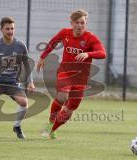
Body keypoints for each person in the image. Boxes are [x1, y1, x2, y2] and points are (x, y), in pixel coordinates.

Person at [37, 9, 106, 139]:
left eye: (82, 23)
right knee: (62, 96)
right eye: (77, 22)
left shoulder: (90, 38)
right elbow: (52, 43)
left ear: (86, 23)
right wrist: (42, 58)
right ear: (71, 23)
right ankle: (52, 120)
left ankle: (52, 129)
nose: (80, 25)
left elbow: (102, 53)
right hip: (65, 72)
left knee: (71, 108)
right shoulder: (65, 33)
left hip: (81, 78)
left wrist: (88, 53)